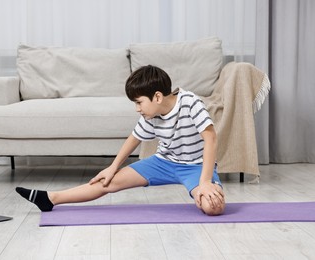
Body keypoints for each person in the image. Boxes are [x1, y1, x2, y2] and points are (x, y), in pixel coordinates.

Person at [16, 65, 225, 216]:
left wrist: (205, 181)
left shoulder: (190, 102)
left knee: (212, 207)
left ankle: (206, 191)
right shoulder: (151, 115)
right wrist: (112, 167)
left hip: (196, 167)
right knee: (108, 182)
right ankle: (50, 198)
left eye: (139, 102)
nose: (137, 108)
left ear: (158, 97)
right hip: (163, 163)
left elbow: (211, 139)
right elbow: (133, 139)